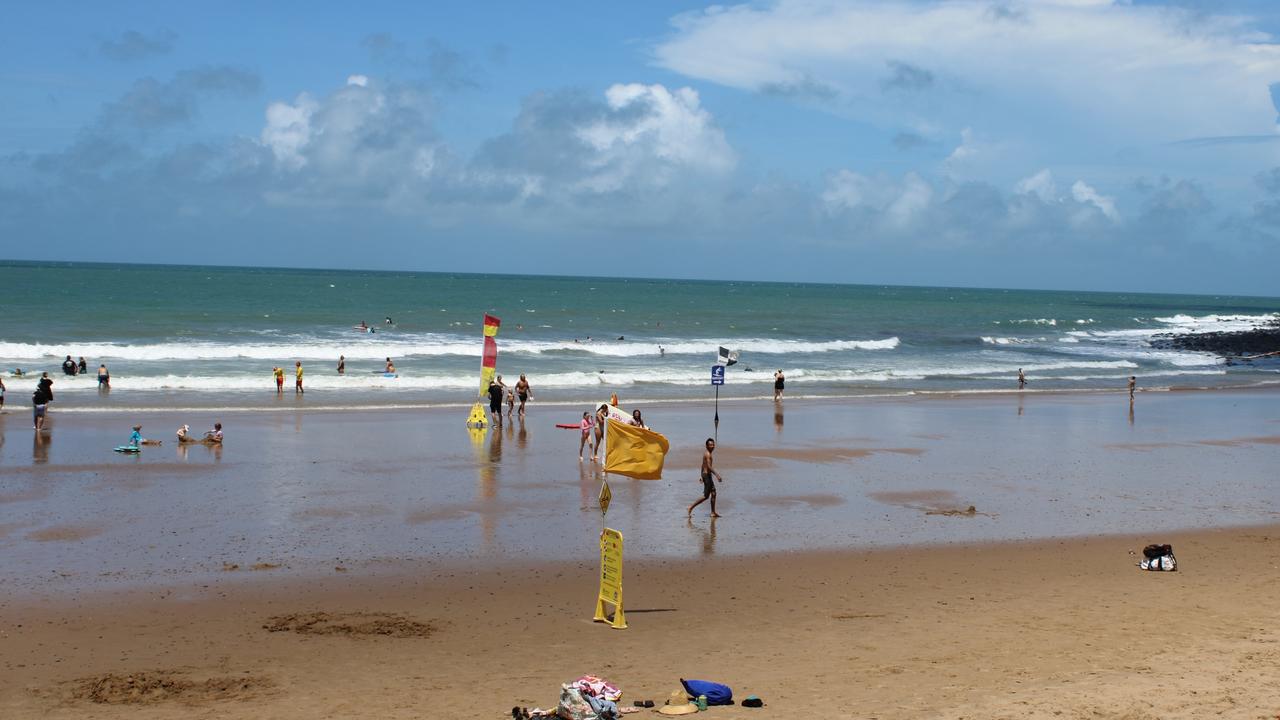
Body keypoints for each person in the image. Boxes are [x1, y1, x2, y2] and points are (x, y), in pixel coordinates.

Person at [687, 438, 724, 517]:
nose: (712, 446)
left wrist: (701, 476)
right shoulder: (707, 454)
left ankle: (713, 512)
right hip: (707, 476)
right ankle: (690, 507)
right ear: (706, 446)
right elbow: (708, 466)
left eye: (713, 444)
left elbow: (703, 465)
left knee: (713, 493)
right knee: (706, 496)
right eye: (710, 445)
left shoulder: (707, 453)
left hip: (706, 475)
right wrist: (717, 475)